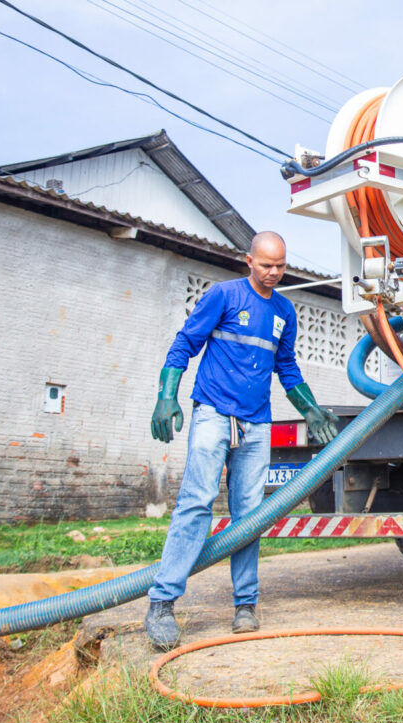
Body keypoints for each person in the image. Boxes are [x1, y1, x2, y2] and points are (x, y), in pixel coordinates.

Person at [144, 231, 339, 651]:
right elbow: (184, 344)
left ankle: (245, 605)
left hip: (256, 422)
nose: (274, 273)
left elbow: (286, 367)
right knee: (196, 501)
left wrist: (311, 408)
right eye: (266, 264)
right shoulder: (223, 296)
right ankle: (162, 603)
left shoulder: (285, 310)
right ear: (247, 260)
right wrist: (166, 395)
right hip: (213, 412)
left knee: (249, 514)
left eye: (281, 266)